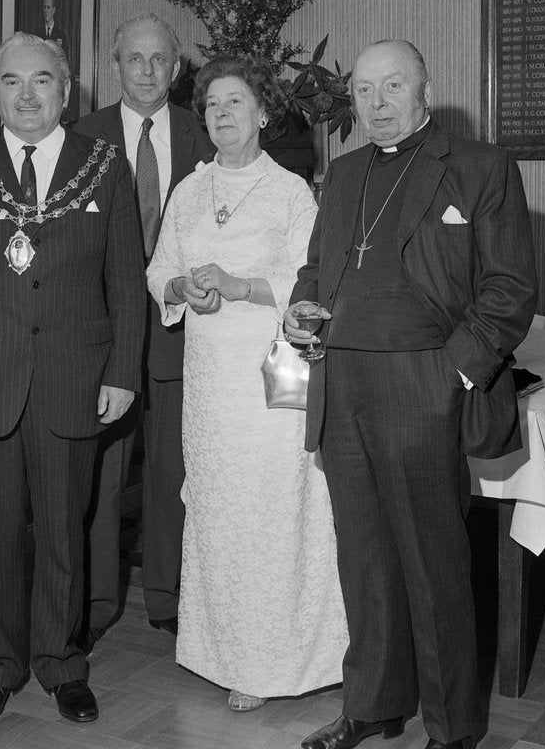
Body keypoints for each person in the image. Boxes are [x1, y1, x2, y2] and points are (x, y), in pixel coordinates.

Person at [287, 40, 537, 749]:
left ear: (425, 88)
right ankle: (372, 706)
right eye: (364, 91)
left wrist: (453, 373)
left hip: (424, 383)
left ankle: (453, 728)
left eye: (393, 86)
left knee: (433, 567)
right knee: (362, 559)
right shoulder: (344, 173)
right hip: (342, 382)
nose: (378, 104)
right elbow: (317, 268)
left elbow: (510, 289)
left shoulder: (480, 167)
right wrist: (302, 309)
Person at [0, 33, 145, 725]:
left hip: (73, 378)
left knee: (65, 529)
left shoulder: (105, 165)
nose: (27, 96)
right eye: (12, 82)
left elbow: (126, 280)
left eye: (42, 82)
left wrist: (122, 373)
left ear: (67, 91)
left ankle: (61, 663)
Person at [147, 55, 347, 711]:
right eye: (212, 105)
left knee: (274, 506)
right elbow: (161, 272)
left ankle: (277, 660)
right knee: (217, 506)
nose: (223, 114)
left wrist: (238, 285)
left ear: (264, 113)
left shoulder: (290, 190)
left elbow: (309, 279)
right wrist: (184, 288)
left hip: (273, 371)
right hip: (210, 383)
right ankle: (223, 650)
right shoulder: (189, 190)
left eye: (236, 102)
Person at [74, 13, 213, 651]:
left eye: (160, 60)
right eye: (136, 59)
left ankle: (168, 595)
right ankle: (98, 600)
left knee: (174, 469)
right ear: (116, 63)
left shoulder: (205, 132)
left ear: (177, 67)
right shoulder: (81, 138)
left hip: (186, 334)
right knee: (102, 474)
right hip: (104, 338)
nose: (149, 71)